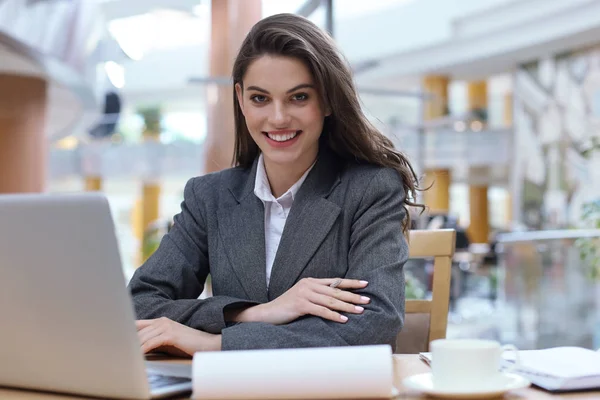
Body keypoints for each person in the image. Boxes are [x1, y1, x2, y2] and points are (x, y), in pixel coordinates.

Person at [128, 13, 422, 356]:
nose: (278, 118)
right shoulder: (209, 196)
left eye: (298, 97)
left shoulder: (370, 189)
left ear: (326, 100)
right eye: (260, 98)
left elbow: (376, 323)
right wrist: (255, 312)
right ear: (240, 99)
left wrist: (217, 343)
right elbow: (138, 305)